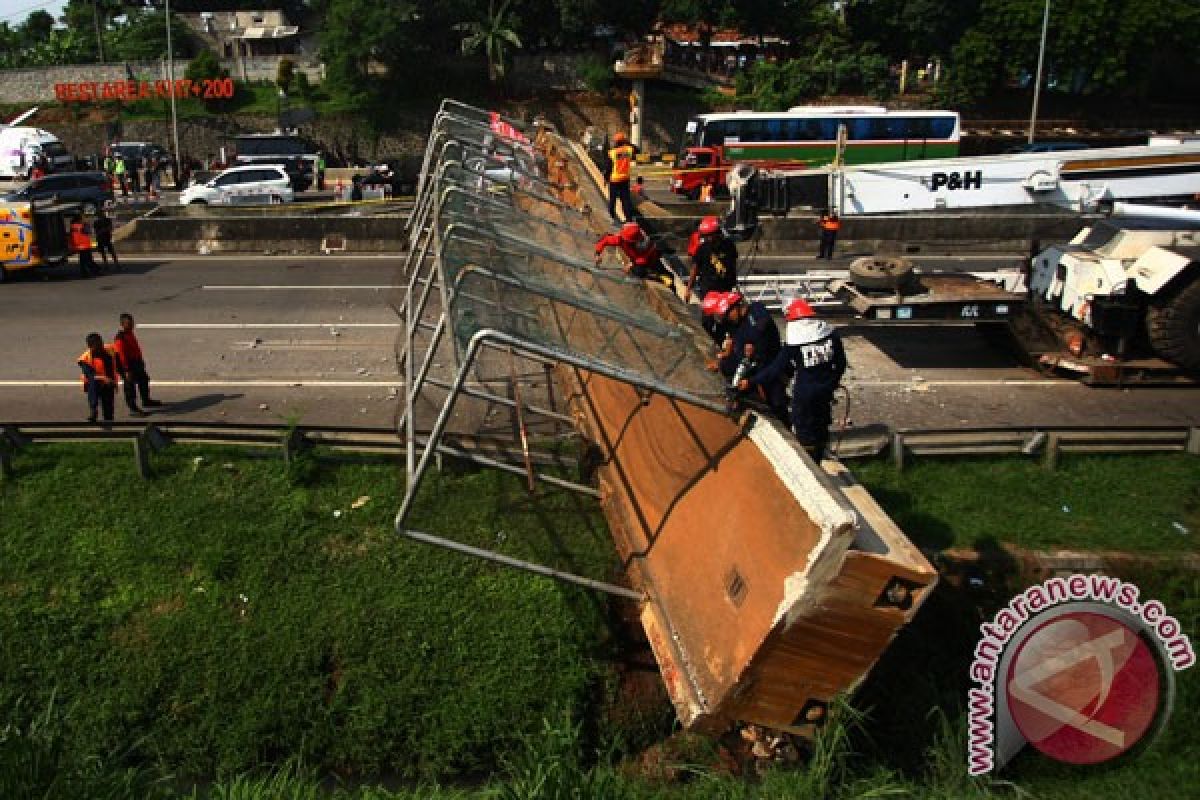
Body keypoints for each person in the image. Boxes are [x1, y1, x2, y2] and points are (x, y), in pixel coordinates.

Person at [742, 298, 847, 459]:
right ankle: (819, 455)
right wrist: (832, 382)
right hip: (825, 390)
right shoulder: (830, 335)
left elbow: (775, 369)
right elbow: (841, 363)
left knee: (804, 431)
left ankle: (811, 462)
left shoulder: (796, 342)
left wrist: (752, 381)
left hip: (805, 394)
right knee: (821, 425)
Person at [594, 221, 674, 287]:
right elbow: (605, 240)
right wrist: (597, 254)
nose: (623, 240)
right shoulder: (621, 239)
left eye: (627, 241)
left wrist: (631, 264)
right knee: (637, 270)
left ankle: (663, 278)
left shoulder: (644, 244)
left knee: (643, 272)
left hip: (651, 260)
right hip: (637, 259)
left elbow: (643, 259)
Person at [113, 313, 161, 415]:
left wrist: (140, 361)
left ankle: (146, 400)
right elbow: (121, 356)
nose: (131, 325)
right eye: (128, 323)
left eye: (132, 323)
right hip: (128, 366)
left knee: (144, 380)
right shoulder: (120, 338)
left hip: (136, 363)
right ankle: (133, 409)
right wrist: (126, 370)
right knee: (130, 387)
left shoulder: (129, 333)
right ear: (122, 324)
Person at [685, 215, 738, 303]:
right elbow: (694, 269)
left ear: (717, 233)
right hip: (708, 289)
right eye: (705, 236)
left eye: (708, 236)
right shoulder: (702, 248)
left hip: (725, 288)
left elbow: (733, 265)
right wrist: (689, 289)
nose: (707, 238)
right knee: (708, 314)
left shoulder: (729, 246)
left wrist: (733, 282)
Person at [77, 333, 120, 422]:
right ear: (90, 347)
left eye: (101, 344)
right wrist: (104, 379)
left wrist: (114, 382)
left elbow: (116, 364)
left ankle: (109, 425)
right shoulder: (85, 359)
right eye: (97, 346)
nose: (101, 348)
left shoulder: (109, 350)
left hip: (108, 384)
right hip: (94, 385)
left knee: (108, 410)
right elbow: (91, 376)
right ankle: (93, 410)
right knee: (93, 385)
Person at [605, 131, 638, 223]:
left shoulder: (612, 152)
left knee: (612, 198)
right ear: (624, 141)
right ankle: (629, 219)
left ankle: (611, 216)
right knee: (625, 200)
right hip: (625, 179)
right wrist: (627, 142)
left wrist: (606, 178)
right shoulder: (629, 150)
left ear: (615, 142)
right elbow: (637, 149)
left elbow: (608, 167)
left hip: (615, 179)